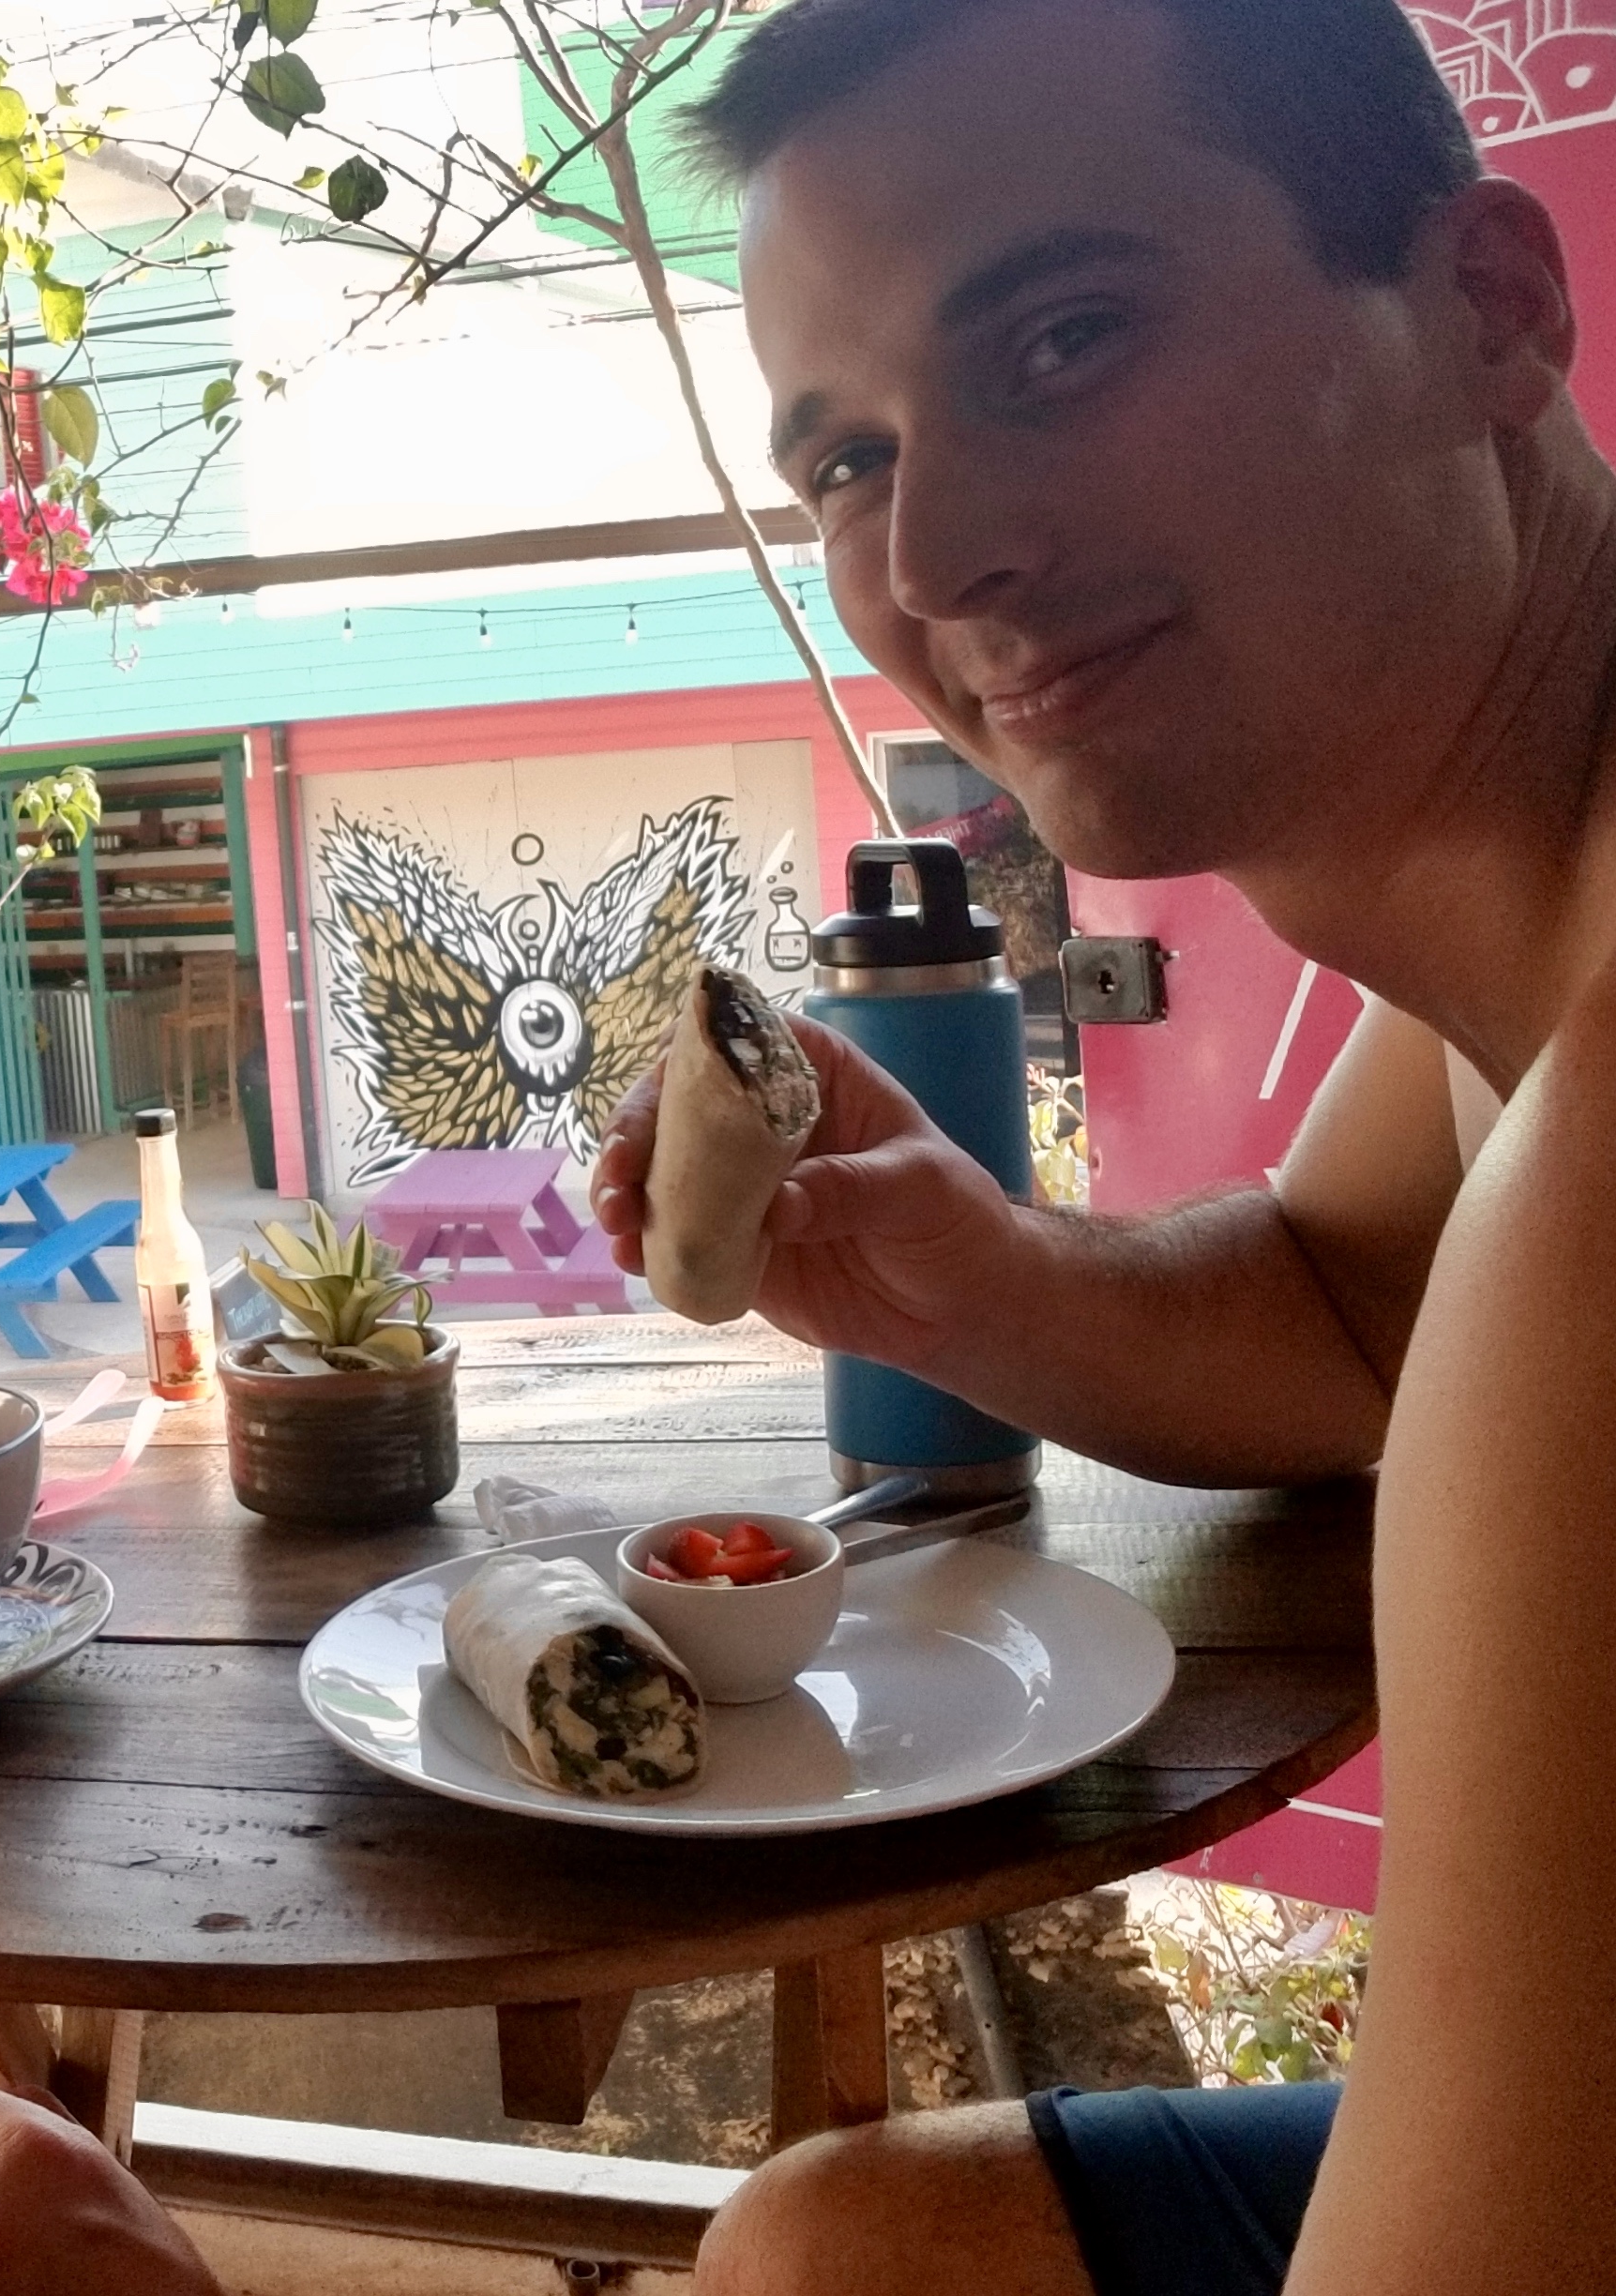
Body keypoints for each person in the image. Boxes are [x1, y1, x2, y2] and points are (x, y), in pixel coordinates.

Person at [571, 1, 1616, 2290]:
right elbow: (1347, 1302)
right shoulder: (1524, 933)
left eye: (1063, 339)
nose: (937, 550)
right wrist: (957, 1269)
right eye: (850, 460)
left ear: (1486, 309)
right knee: (841, 2252)